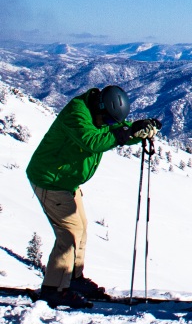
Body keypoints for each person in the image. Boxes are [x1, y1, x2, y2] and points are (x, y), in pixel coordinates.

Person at [26, 86, 159, 307]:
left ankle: (73, 279)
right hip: (50, 180)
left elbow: (117, 130)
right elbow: (92, 141)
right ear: (100, 108)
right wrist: (127, 132)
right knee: (69, 234)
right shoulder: (77, 114)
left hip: (66, 181)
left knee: (82, 228)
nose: (107, 125)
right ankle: (54, 290)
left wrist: (139, 130)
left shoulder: (99, 111)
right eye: (106, 121)